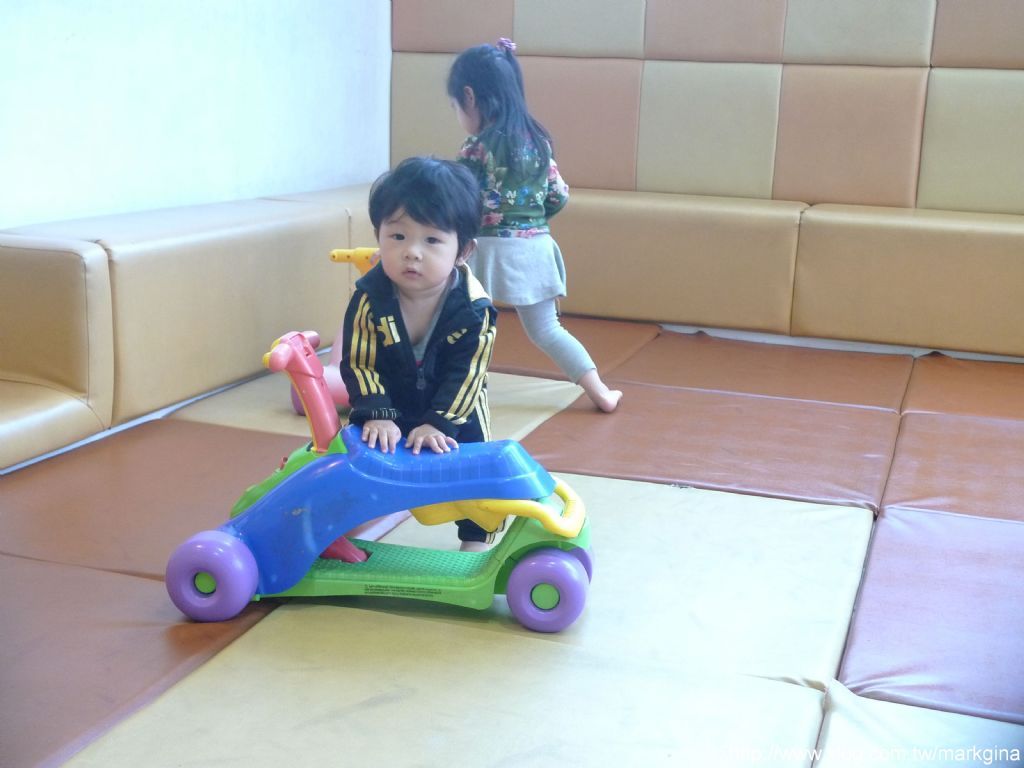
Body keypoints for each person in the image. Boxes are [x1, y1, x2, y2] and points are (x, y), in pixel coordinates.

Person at [447, 38, 622, 413]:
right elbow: (558, 196)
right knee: (548, 330)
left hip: (485, 253)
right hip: (535, 249)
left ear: (470, 97)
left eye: (456, 106)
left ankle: (452, 393)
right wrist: (530, 221)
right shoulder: (539, 142)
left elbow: (459, 200)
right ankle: (601, 392)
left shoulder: (475, 147)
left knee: (458, 327)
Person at [340, 156, 498, 550]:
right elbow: (360, 361)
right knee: (357, 456)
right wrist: (377, 411)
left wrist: (440, 423)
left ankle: (476, 537)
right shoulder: (369, 298)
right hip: (389, 400)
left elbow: (469, 374)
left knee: (477, 467)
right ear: (378, 235)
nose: (412, 252)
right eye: (397, 236)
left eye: (431, 240)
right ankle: (344, 522)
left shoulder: (474, 308)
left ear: (463, 250)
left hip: (455, 406)